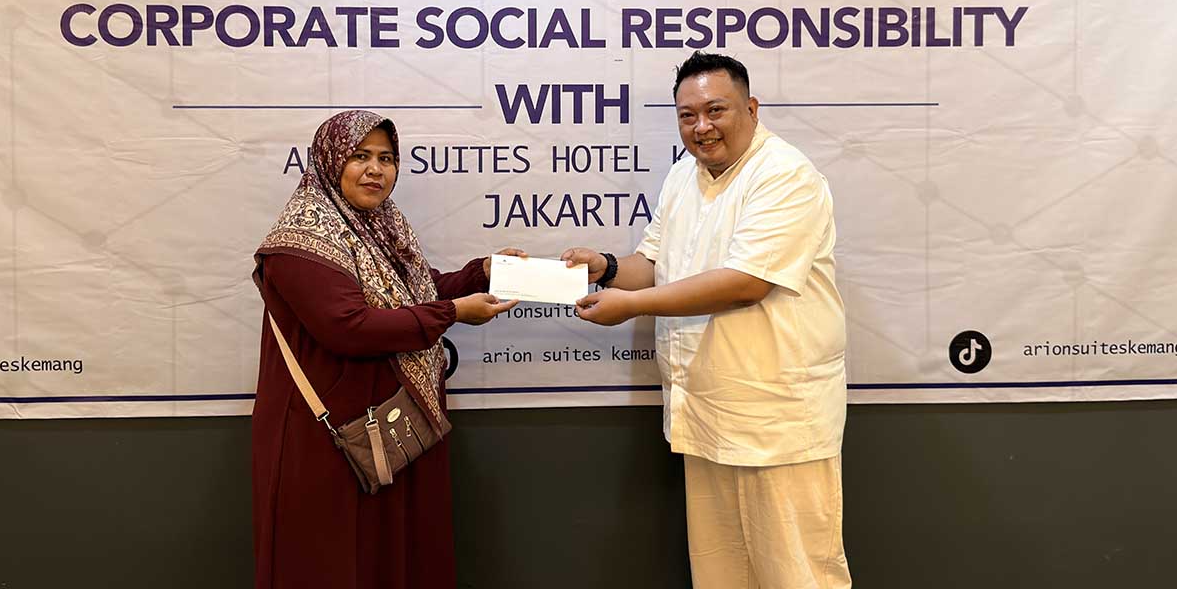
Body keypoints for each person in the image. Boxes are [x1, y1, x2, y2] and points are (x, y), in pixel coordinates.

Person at [562, 51, 852, 589]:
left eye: (716, 110)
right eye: (687, 115)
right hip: (706, 411)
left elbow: (746, 283)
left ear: (751, 109)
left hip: (775, 419)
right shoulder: (683, 176)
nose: (702, 127)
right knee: (722, 572)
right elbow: (653, 264)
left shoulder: (785, 175)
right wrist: (605, 268)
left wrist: (632, 306)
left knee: (797, 573)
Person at [250, 109, 520, 589]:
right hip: (332, 441)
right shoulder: (300, 243)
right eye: (360, 156)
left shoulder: (378, 227)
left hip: (390, 430)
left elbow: (416, 294)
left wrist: (481, 273)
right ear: (330, 160)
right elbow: (349, 327)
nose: (376, 169)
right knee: (332, 563)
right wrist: (453, 313)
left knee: (390, 559)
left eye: (386, 158)